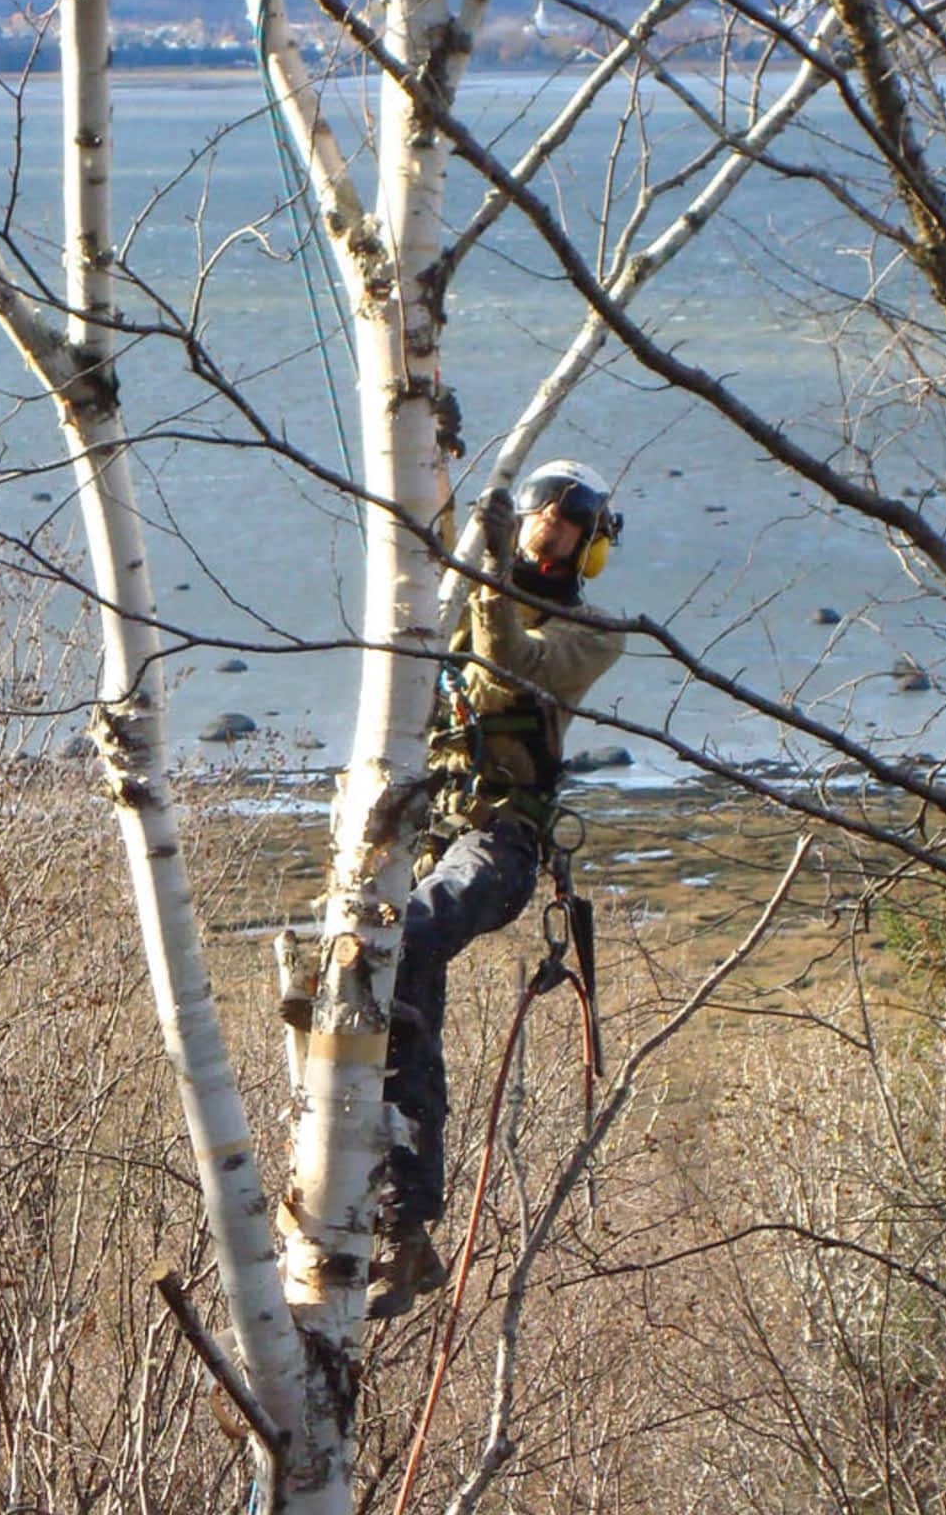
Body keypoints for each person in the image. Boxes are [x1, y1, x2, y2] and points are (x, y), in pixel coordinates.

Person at [367, 458, 627, 1321]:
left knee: (399, 944)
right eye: (540, 521)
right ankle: (407, 1233)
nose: (549, 538)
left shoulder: (592, 633)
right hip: (425, 839)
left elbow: (507, 665)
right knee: (407, 1013)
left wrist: (482, 569)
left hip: (500, 846)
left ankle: (406, 1214)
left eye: (566, 528)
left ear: (589, 546)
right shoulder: (463, 595)